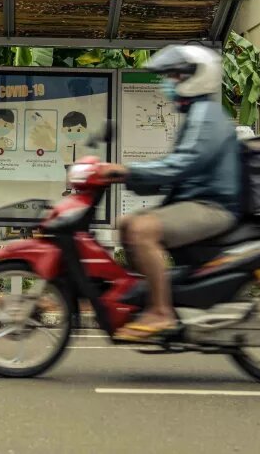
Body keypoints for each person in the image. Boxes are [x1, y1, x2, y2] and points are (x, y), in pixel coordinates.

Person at [99, 45, 241, 342]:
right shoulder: (197, 114)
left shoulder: (206, 114)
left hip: (213, 206)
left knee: (140, 230)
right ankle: (149, 297)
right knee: (126, 223)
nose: (168, 83)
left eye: (175, 75)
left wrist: (128, 172)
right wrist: (133, 177)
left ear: (197, 77)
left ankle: (161, 311)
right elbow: (179, 170)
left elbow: (185, 163)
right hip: (197, 201)